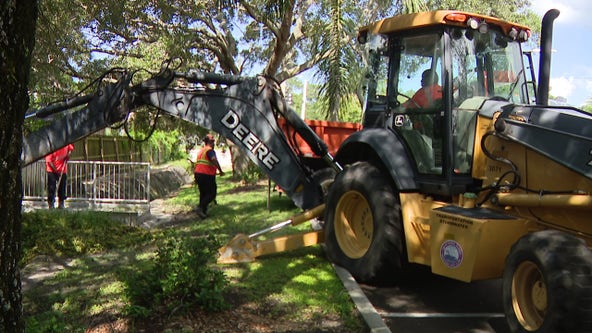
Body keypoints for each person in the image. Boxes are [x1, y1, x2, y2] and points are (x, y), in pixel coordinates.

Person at [193, 134, 224, 218]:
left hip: (198, 174)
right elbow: (214, 159)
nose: (213, 143)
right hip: (206, 174)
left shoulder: (201, 151)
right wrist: (220, 170)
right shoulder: (210, 150)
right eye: (212, 142)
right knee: (212, 193)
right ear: (210, 142)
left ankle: (203, 213)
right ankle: (199, 208)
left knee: (203, 193)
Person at [45, 144, 74, 209]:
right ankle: (51, 204)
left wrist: (68, 155)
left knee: (62, 188)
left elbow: (71, 149)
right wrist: (57, 171)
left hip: (63, 170)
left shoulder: (65, 144)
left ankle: (61, 203)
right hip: (52, 171)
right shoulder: (51, 147)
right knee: (51, 187)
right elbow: (49, 161)